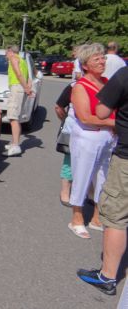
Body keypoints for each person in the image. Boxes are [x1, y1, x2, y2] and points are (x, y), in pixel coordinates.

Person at [77, 65, 128, 296]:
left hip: (126, 158)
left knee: (116, 216)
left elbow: (101, 111)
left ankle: (106, 276)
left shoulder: (124, 76)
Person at [68, 43, 115, 239]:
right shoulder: (80, 86)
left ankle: (97, 217)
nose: (102, 61)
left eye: (103, 58)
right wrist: (115, 123)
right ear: (85, 65)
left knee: (104, 179)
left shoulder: (106, 82)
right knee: (83, 176)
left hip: (108, 138)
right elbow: (85, 117)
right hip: (88, 137)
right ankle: (76, 218)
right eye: (97, 59)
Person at [3, 45, 33, 157]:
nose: (5, 55)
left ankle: (15, 145)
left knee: (13, 117)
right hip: (21, 89)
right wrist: (28, 88)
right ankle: (14, 143)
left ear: (10, 51)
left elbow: (18, 73)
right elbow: (29, 77)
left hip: (17, 88)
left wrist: (26, 88)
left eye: (6, 52)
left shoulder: (13, 58)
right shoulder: (23, 60)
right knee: (16, 117)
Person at [55, 83, 74, 206]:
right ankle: (65, 192)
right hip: (73, 130)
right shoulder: (74, 86)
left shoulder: (105, 84)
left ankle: (89, 193)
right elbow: (59, 106)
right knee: (70, 160)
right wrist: (65, 120)